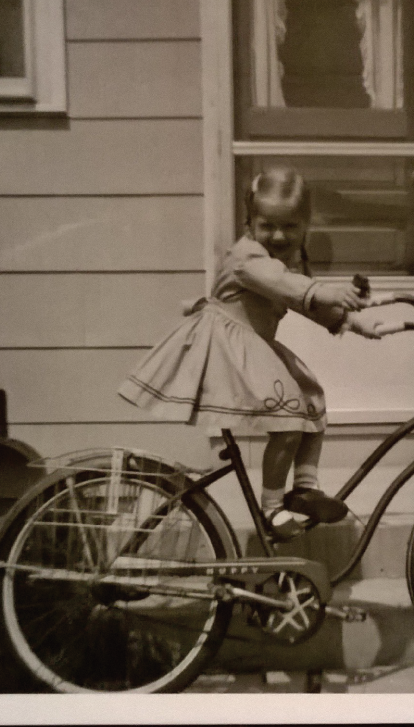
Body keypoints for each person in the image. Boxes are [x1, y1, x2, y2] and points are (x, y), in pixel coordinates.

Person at [118, 166, 381, 540]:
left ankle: (304, 488)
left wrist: (353, 323)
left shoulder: (282, 259)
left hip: (251, 344)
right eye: (266, 225)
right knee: (289, 416)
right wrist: (326, 291)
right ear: (249, 224)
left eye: (290, 226)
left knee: (311, 395)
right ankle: (272, 508)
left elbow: (299, 299)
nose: (278, 235)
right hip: (226, 346)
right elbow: (283, 284)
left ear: (305, 224)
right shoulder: (246, 257)